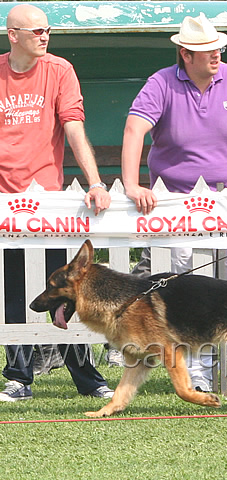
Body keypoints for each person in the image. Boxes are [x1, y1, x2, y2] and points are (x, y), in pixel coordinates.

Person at [121, 13, 227, 395]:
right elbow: (134, 129)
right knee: (185, 292)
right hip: (175, 200)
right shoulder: (161, 82)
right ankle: (198, 373)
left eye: (217, 47)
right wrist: (132, 183)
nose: (216, 54)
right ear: (185, 54)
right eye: (206, 50)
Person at [0, 4, 113, 402]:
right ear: (12, 35)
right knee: (14, 294)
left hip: (49, 205)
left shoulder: (59, 70)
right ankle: (18, 378)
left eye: (47, 30)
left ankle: (87, 378)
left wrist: (95, 182)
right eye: (35, 32)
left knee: (65, 292)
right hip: (5, 205)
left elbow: (74, 127)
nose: (44, 37)